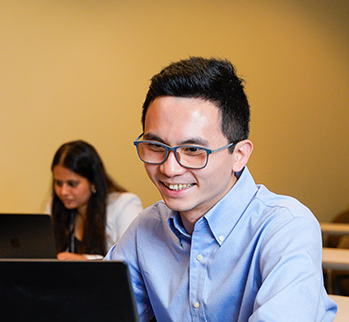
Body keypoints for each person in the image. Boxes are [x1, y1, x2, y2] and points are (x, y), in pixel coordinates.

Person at [107, 57, 336, 322]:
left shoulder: (286, 227)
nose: (169, 169)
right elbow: (98, 311)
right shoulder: (146, 228)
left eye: (193, 150)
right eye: (157, 146)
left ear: (239, 154)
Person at [49, 140, 141, 260]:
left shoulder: (124, 205)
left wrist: (86, 261)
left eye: (72, 184)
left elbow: (131, 261)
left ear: (93, 183)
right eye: (59, 183)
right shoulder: (54, 206)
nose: (63, 192)